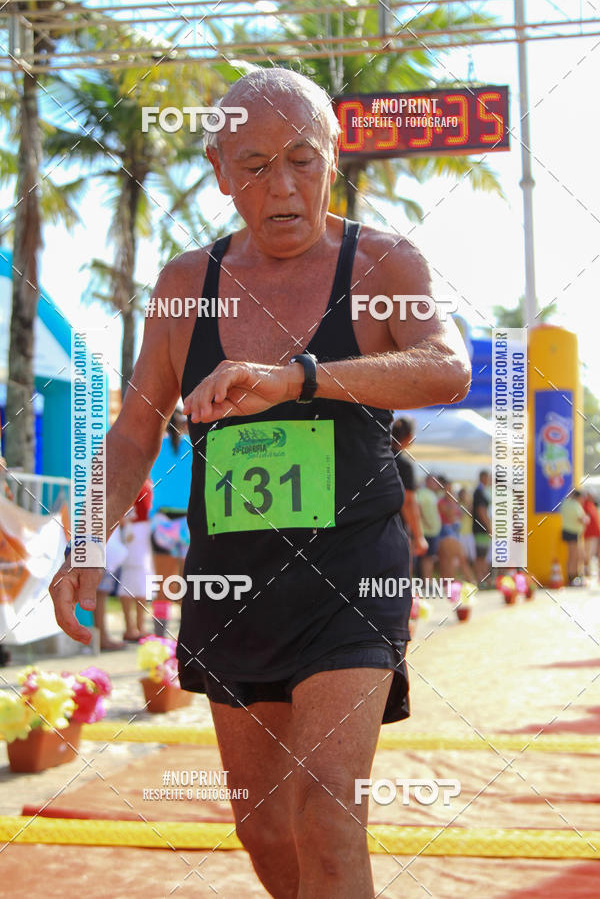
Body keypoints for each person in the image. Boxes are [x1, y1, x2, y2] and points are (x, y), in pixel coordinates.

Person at [49, 68, 470, 898]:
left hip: (352, 577)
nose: (281, 187)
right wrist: (85, 545)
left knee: (324, 806)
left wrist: (297, 378)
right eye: (253, 165)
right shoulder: (184, 287)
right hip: (232, 586)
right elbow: (136, 427)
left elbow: (446, 367)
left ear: (334, 160)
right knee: (262, 824)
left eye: (302, 160)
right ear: (216, 171)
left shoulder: (385, 263)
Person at [117, 478, 154, 640]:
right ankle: (131, 627)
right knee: (132, 577)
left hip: (143, 530)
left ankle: (139, 626)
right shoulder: (134, 476)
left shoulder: (145, 478)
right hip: (135, 531)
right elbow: (123, 505)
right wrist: (126, 524)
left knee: (141, 578)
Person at [391, 417, 428, 564]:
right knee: (399, 576)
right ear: (409, 437)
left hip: (370, 527)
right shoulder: (404, 464)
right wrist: (419, 537)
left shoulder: (378, 456)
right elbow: (408, 502)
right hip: (396, 528)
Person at [416, 474, 443, 582]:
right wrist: (426, 522)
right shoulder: (422, 493)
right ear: (427, 481)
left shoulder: (432, 494)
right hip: (425, 531)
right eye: (433, 481)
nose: (436, 484)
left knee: (430, 557)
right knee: (427, 558)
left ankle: (428, 580)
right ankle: (427, 581)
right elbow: (418, 508)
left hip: (432, 531)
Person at [560, 489, 588, 586]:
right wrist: (586, 519)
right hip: (574, 532)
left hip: (566, 531)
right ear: (578, 497)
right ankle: (573, 578)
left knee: (572, 555)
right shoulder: (575, 505)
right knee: (574, 556)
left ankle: (572, 577)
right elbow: (581, 518)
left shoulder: (565, 503)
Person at [472, 469, 492, 586]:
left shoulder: (481, 491)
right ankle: (481, 578)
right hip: (481, 528)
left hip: (481, 528)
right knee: (481, 555)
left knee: (483, 555)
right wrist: (488, 527)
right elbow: (481, 510)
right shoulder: (479, 492)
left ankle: (483, 578)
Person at [582, 491, 600, 578]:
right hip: (588, 533)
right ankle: (586, 571)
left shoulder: (591, 505)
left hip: (594, 533)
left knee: (591, 553)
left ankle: (588, 570)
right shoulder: (585, 505)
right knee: (588, 553)